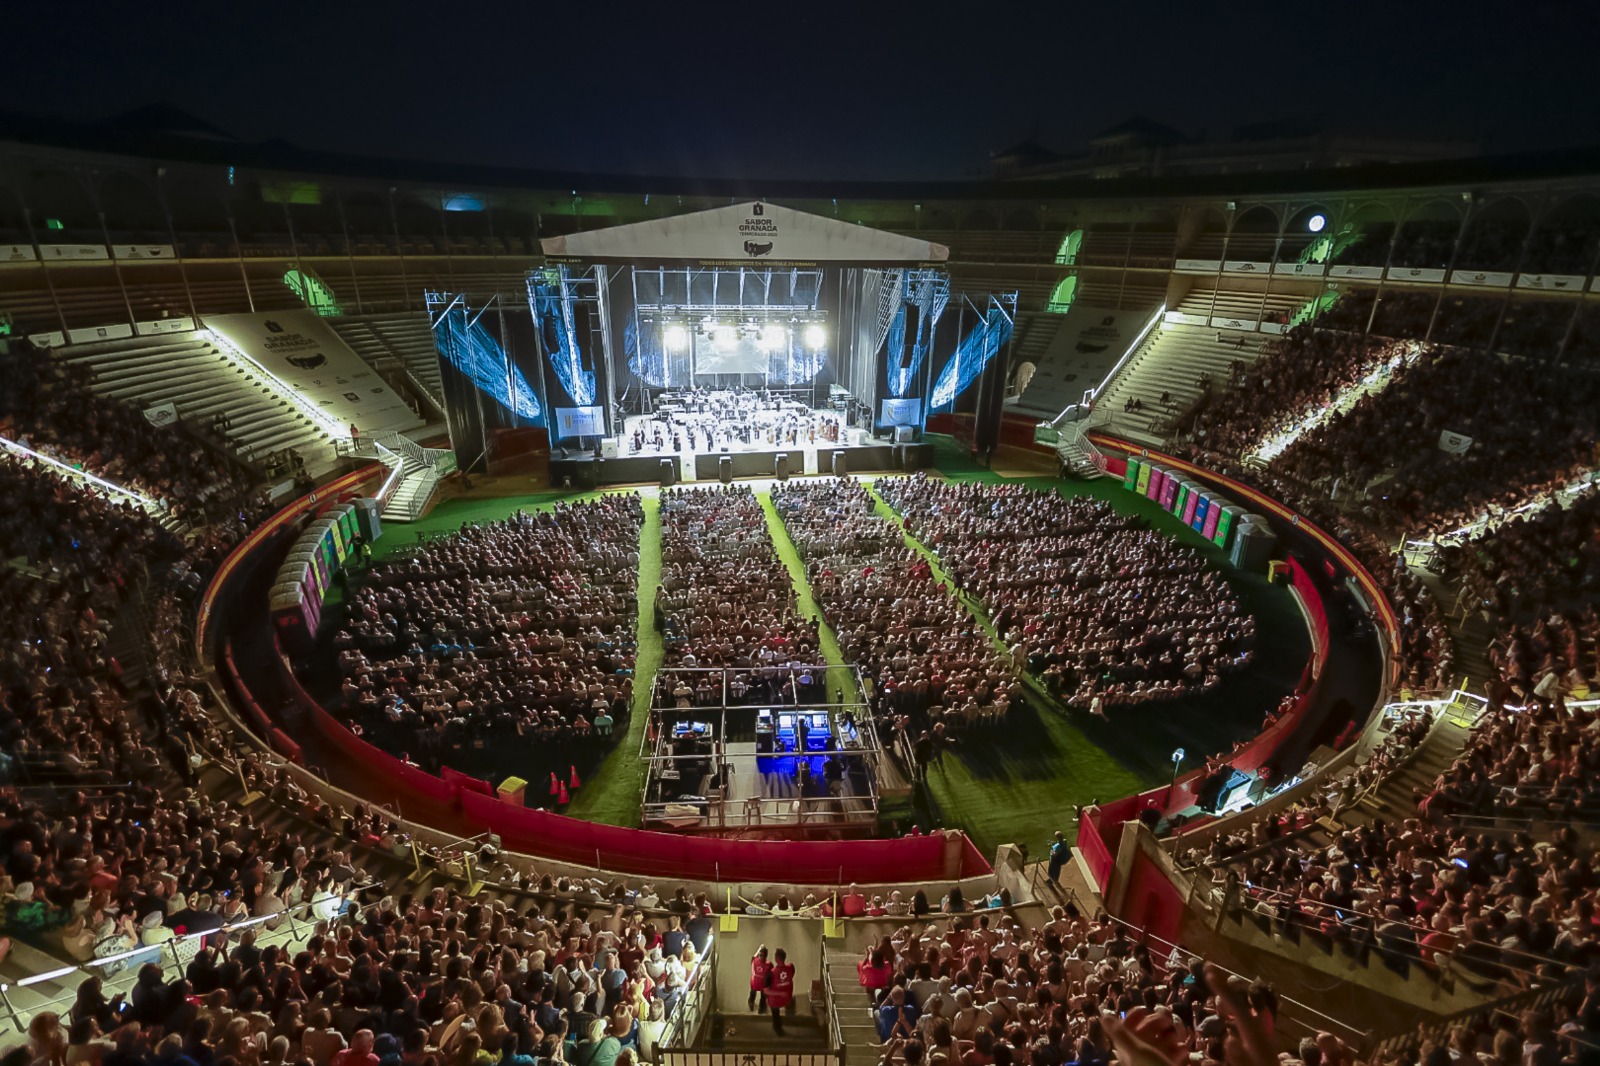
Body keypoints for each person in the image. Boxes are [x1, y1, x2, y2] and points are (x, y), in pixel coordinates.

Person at [766, 948, 795, 1034]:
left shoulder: (771, 973)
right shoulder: (791, 967)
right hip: (788, 998)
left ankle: (777, 1028)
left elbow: (766, 990)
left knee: (773, 1006)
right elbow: (791, 976)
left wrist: (779, 993)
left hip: (776, 1001)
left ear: (776, 958)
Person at [748, 946, 771, 1012]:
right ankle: (751, 1003)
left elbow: (772, 974)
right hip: (755, 983)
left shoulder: (768, 964)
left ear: (765, 956)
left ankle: (762, 1008)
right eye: (760, 955)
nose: (760, 957)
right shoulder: (755, 961)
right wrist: (759, 949)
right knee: (753, 994)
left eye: (762, 955)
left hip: (762, 984)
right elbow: (753, 957)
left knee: (763, 996)